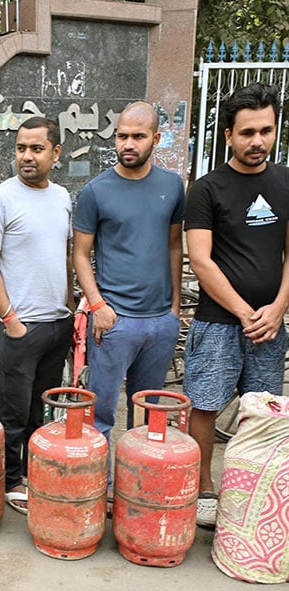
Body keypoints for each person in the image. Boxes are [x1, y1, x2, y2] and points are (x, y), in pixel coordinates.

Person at [184, 83, 289, 528]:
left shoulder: (285, 182)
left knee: (261, 410)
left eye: (266, 130)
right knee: (205, 406)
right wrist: (246, 312)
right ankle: (204, 488)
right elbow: (201, 261)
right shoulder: (208, 189)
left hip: (270, 325)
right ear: (228, 135)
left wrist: (279, 308)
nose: (258, 141)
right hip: (219, 324)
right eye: (247, 132)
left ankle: (250, 489)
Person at [0, 117, 73, 514]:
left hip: (58, 323)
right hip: (21, 325)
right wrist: (10, 319)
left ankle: (36, 472)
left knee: (41, 407)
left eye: (36, 148)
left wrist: (70, 308)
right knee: (13, 409)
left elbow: (66, 258)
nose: (26, 157)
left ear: (56, 153)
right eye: (20, 148)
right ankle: (11, 479)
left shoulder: (63, 197)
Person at [73, 102, 185, 450]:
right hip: (114, 321)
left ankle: (137, 492)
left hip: (160, 321)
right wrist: (97, 306)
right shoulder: (96, 191)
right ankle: (101, 491)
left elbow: (174, 248)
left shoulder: (172, 185)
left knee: (149, 416)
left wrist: (175, 310)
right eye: (122, 136)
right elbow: (79, 254)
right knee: (101, 414)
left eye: (138, 136)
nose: (128, 144)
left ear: (156, 138)